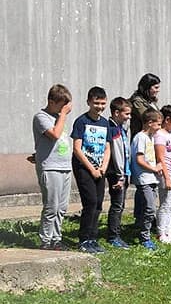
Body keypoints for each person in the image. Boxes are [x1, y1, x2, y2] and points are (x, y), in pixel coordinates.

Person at [70, 86, 112, 253]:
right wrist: (91, 169)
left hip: (100, 169)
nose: (99, 106)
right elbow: (77, 148)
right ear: (88, 102)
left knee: (99, 203)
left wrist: (102, 167)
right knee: (90, 202)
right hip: (84, 168)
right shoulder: (81, 121)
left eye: (102, 103)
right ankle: (84, 239)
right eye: (96, 103)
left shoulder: (105, 123)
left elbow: (108, 148)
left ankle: (93, 238)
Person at [33, 83, 75, 251]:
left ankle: (56, 239)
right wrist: (63, 115)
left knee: (62, 207)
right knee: (52, 206)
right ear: (51, 101)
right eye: (61, 105)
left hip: (64, 166)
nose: (64, 108)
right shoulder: (41, 117)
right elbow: (54, 135)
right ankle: (45, 240)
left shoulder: (59, 117)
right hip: (50, 167)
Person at [131, 109, 164, 250]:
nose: (159, 128)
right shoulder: (141, 137)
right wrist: (154, 169)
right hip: (144, 178)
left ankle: (142, 230)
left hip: (151, 179)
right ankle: (145, 236)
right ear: (150, 123)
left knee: (147, 208)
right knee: (150, 208)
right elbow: (139, 159)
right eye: (158, 124)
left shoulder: (150, 137)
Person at [103, 96, 133, 249]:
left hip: (124, 172)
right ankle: (113, 236)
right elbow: (117, 154)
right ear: (116, 113)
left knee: (120, 205)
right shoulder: (113, 129)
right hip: (116, 173)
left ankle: (116, 233)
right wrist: (120, 176)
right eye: (126, 114)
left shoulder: (121, 128)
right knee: (117, 204)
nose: (129, 117)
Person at [154, 106, 171, 244]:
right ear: (168, 119)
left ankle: (168, 232)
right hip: (167, 173)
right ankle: (161, 233)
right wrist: (167, 177)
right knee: (165, 204)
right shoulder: (160, 135)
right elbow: (161, 158)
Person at [127, 73, 161, 137]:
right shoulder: (137, 101)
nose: (158, 90)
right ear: (147, 87)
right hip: (142, 137)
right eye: (156, 88)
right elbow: (149, 117)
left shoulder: (151, 101)